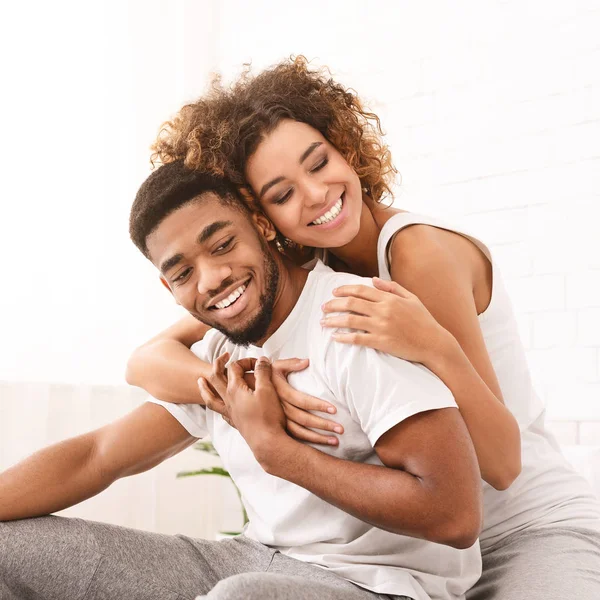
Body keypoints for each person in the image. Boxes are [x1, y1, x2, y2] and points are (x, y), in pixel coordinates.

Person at [128, 57, 600, 599]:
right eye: (282, 194)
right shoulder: (314, 276)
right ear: (260, 218)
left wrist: (435, 347)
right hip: (432, 561)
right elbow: (144, 361)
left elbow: (503, 464)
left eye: (319, 162)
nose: (315, 195)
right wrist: (235, 394)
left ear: (346, 147)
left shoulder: (415, 253)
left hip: (529, 528)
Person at [0, 163, 483, 600]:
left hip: (382, 585)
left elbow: (456, 514)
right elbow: (98, 456)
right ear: (169, 288)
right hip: (257, 560)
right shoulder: (220, 351)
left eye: (223, 244)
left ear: (262, 226)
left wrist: (281, 453)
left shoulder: (352, 318)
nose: (211, 278)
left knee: (242, 597)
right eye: (184, 271)